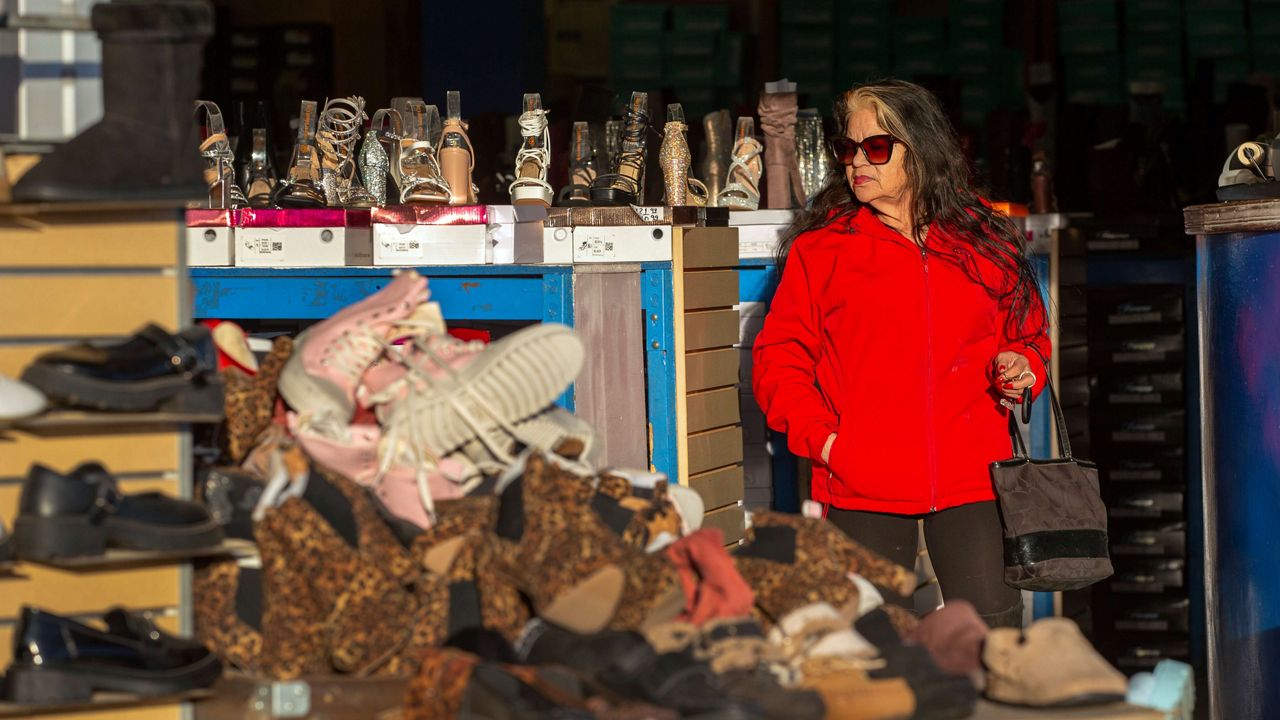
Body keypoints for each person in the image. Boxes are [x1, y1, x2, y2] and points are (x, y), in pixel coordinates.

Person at [752, 79, 1049, 628]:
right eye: (848, 148)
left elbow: (1028, 335)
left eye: (877, 147)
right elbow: (780, 359)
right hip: (861, 479)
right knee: (873, 648)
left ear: (923, 149)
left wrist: (1023, 366)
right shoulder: (822, 250)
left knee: (991, 637)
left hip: (973, 476)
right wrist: (828, 442)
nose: (858, 162)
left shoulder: (987, 239)